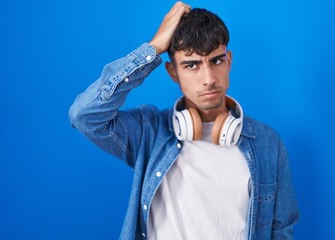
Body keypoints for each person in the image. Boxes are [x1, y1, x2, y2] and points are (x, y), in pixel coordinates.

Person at [69, 2, 299, 239]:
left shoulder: (267, 143)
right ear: (172, 72)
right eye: (192, 65)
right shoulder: (149, 132)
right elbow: (84, 115)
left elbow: (280, 230)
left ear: (229, 61)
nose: (208, 78)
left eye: (216, 61)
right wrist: (153, 48)